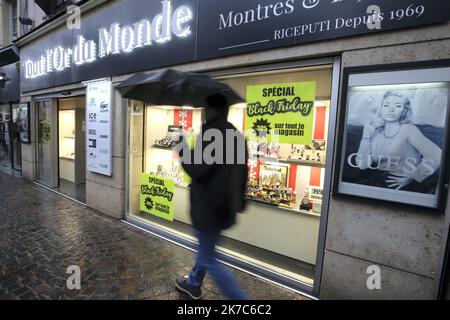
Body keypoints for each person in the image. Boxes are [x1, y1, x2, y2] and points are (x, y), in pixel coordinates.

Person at [174, 93, 249, 300]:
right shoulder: (237, 136)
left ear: (214, 111)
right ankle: (193, 283)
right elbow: (243, 171)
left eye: (205, 109)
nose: (203, 113)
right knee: (206, 248)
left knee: (210, 258)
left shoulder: (211, 135)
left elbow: (197, 169)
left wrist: (182, 148)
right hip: (225, 205)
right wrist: (241, 200)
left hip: (208, 205)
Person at [356, 91, 442, 191]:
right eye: (386, 105)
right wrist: (366, 136)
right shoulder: (376, 132)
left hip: (404, 185)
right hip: (379, 182)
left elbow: (437, 155)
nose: (391, 109)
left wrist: (413, 177)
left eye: (397, 106)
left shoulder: (408, 129)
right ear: (381, 109)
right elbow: (362, 165)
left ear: (404, 110)